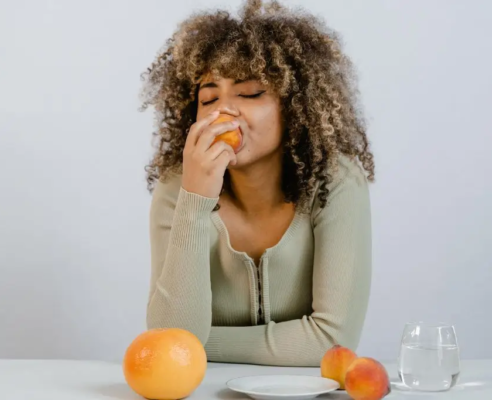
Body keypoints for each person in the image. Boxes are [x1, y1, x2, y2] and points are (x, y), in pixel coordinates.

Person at [139, 0, 375, 367]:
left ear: (295, 106)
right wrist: (195, 198)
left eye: (249, 93)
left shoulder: (336, 181)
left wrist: (202, 345)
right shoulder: (177, 189)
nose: (223, 110)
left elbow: (333, 340)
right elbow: (173, 341)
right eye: (208, 97)